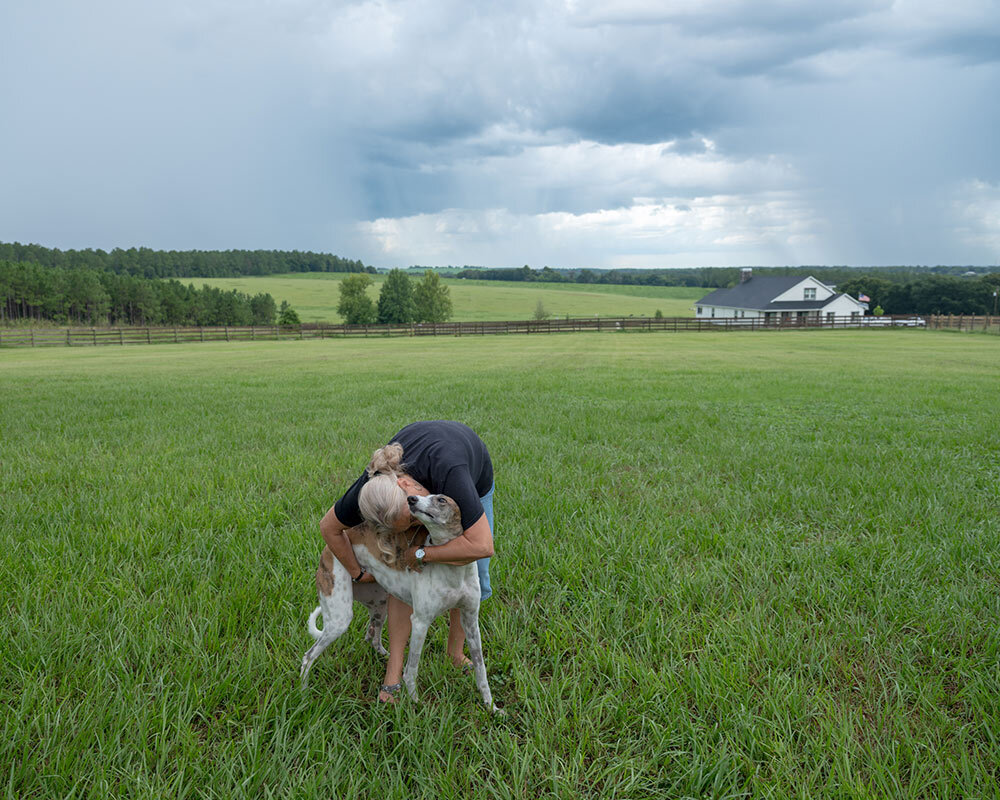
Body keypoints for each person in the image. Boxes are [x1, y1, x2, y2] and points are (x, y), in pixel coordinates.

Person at [320, 420, 495, 703]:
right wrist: (356, 573)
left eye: (412, 520)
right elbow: (329, 528)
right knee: (403, 571)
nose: (415, 526)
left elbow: (483, 546)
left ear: (407, 486)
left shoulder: (453, 475)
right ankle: (394, 673)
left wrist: (422, 553)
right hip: (421, 472)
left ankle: (455, 652)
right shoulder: (370, 491)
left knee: (468, 562)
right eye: (407, 524)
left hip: (465, 468)